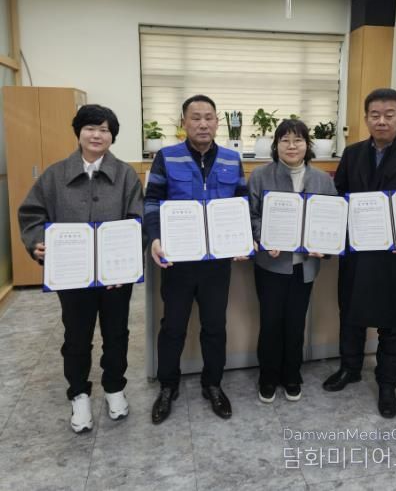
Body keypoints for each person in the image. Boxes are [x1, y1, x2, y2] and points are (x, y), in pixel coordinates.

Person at [18, 105, 144, 433]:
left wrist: (126, 265)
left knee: (116, 333)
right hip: (72, 276)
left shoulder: (126, 175)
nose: (97, 135)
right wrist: (36, 242)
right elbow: (31, 214)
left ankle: (114, 387)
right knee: (76, 336)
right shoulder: (54, 175)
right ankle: (78, 394)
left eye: (104, 129)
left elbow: (138, 220)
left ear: (112, 136)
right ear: (79, 132)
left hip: (116, 277)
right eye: (90, 128)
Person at [322, 88, 396, 418]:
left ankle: (388, 383)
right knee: (350, 314)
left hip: (395, 257)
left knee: (393, 322)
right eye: (375, 115)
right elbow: (339, 199)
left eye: (389, 115)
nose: (382, 121)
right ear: (366, 119)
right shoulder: (352, 153)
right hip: (357, 254)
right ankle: (350, 369)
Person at [144, 94, 247, 424]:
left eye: (209, 117)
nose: (203, 124)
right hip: (178, 262)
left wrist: (243, 239)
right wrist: (154, 238)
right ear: (183, 123)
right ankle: (168, 386)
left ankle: (212, 384)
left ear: (217, 122)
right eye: (195, 117)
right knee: (173, 326)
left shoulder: (232, 159)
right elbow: (152, 201)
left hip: (217, 264)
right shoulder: (166, 157)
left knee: (214, 326)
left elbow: (242, 203)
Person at [248, 119, 336, 403]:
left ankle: (292, 375)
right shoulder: (260, 176)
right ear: (276, 146)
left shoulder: (322, 180)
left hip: (305, 267)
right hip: (271, 265)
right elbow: (251, 215)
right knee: (271, 322)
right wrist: (264, 237)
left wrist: (325, 247)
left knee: (296, 323)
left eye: (298, 140)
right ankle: (268, 376)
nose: (291, 146)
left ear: (307, 145)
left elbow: (333, 218)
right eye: (284, 140)